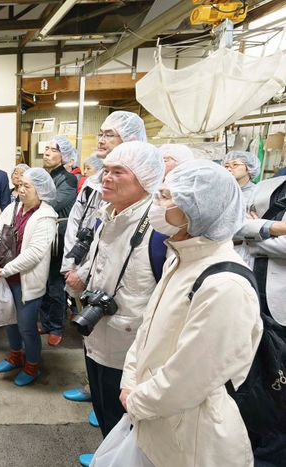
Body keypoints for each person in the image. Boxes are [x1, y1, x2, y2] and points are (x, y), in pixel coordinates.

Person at [120, 160, 262, 467]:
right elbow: (148, 330)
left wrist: (137, 400)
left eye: (167, 196)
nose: (156, 204)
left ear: (198, 209)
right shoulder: (182, 258)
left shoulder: (225, 285)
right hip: (155, 417)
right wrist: (131, 379)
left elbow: (191, 376)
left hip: (192, 436)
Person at [67, 142, 165, 467]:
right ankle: (107, 457)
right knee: (105, 414)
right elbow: (98, 262)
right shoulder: (105, 216)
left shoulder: (159, 230)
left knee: (127, 427)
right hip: (96, 336)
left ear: (146, 179)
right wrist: (82, 276)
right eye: (105, 170)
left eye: (117, 172)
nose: (106, 178)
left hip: (130, 351)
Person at [60, 111, 147, 404]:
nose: (101, 138)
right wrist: (73, 264)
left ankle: (110, 401)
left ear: (131, 141)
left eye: (110, 134)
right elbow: (78, 223)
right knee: (90, 328)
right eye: (101, 133)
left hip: (119, 283)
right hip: (85, 264)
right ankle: (94, 389)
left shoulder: (143, 198)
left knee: (117, 347)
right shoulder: (94, 180)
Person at [0, 168, 58, 386]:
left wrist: (3, 270)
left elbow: (34, 254)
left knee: (26, 326)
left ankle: (32, 366)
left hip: (27, 283)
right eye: (20, 185)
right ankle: (16, 356)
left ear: (41, 190)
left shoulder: (46, 217)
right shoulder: (13, 207)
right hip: (6, 277)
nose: (21, 189)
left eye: (27, 186)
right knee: (10, 321)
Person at [234, 173, 286, 465]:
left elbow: (246, 233)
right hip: (254, 289)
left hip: (282, 303)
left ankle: (274, 451)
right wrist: (271, 231)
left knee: (279, 374)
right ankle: (252, 438)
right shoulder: (269, 185)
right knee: (254, 373)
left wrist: (253, 238)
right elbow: (236, 226)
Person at [37, 135, 78, 347]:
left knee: (55, 284)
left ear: (64, 156)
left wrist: (35, 198)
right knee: (42, 281)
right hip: (44, 234)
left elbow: (55, 202)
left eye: (53, 150)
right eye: (46, 148)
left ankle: (56, 327)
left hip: (59, 238)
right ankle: (45, 321)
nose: (47, 152)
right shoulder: (47, 177)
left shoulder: (69, 179)